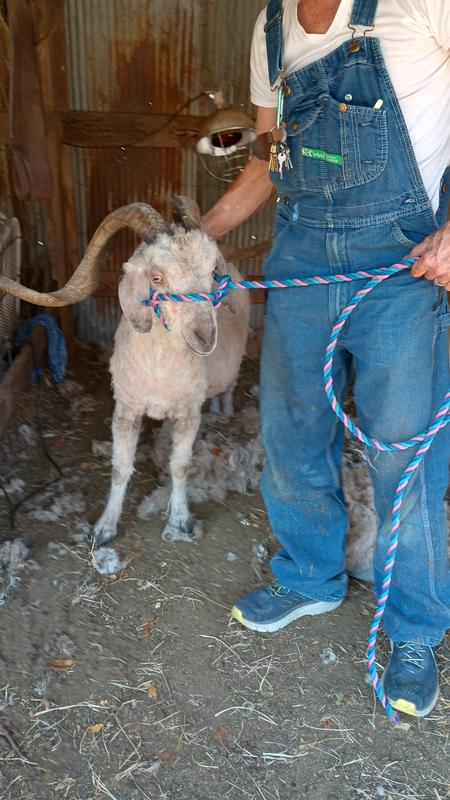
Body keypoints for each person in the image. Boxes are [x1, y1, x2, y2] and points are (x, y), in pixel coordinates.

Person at [201, 0, 450, 718]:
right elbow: (268, 159)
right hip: (302, 253)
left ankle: (414, 629)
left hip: (401, 265)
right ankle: (310, 574)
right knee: (291, 429)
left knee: (405, 455)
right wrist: (196, 236)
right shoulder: (271, 27)